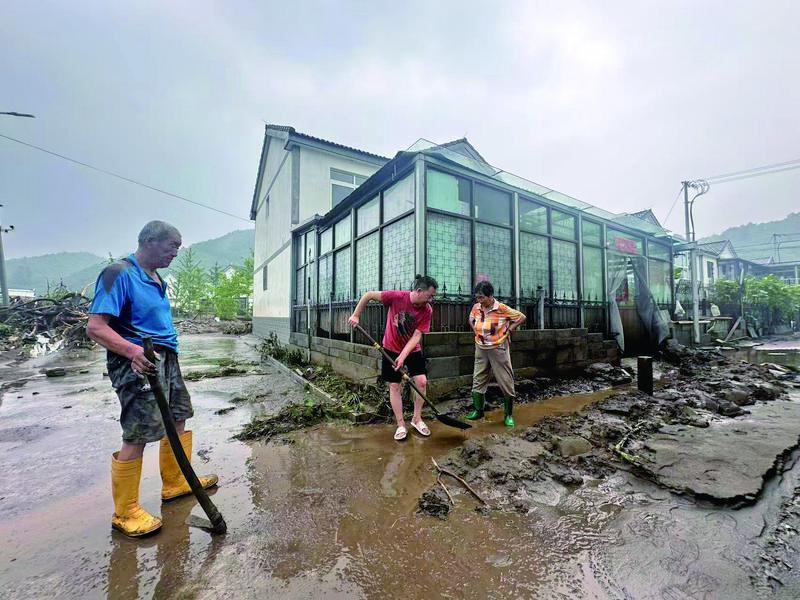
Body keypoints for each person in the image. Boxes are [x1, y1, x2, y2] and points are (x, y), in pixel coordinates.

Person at [87, 221, 218, 538]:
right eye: (173, 245)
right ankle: (125, 512)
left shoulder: (158, 279)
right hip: (137, 362)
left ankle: (175, 483)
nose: (176, 252)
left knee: (178, 417)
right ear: (150, 241)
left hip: (166, 358)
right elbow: (95, 327)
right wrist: (133, 351)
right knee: (139, 432)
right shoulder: (118, 273)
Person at [348, 275, 438, 441]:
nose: (431, 300)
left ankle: (417, 419)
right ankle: (400, 424)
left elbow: (417, 335)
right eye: (430, 296)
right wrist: (356, 315)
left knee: (421, 381)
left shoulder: (427, 310)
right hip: (390, 348)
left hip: (412, 349)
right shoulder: (396, 297)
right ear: (419, 291)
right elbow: (368, 295)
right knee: (395, 386)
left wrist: (403, 355)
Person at [466, 280, 526, 427]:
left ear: (490, 296)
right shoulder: (476, 307)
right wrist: (477, 332)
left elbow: (521, 317)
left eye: (482, 297)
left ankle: (508, 415)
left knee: (505, 379)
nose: (479, 300)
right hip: (481, 348)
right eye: (477, 297)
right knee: (478, 378)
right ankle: (478, 411)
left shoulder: (501, 308)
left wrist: (509, 330)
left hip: (498, 348)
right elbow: (471, 319)